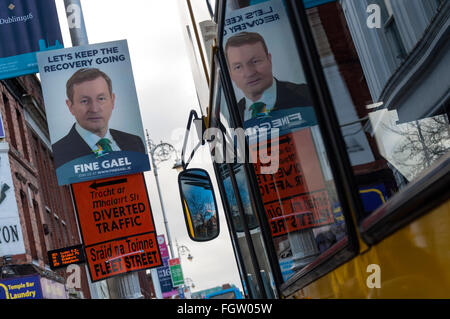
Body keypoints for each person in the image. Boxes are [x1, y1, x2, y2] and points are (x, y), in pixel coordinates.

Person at [52, 68, 145, 168]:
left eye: (101, 99)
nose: (94, 109)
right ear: (70, 106)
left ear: (112, 101)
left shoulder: (134, 142)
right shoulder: (58, 153)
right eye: (84, 101)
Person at [225, 31, 313, 122]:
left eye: (255, 61)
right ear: (231, 74)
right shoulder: (235, 114)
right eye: (238, 67)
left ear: (269, 60)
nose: (249, 73)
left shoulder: (306, 95)